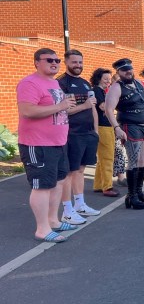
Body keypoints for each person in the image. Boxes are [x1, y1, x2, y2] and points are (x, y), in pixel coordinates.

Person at [16, 48, 77, 242]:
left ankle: (53, 221)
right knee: (42, 186)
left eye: (57, 60)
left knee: (58, 182)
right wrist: (61, 106)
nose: (55, 63)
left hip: (58, 142)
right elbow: (27, 111)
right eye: (49, 60)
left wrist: (67, 107)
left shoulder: (54, 83)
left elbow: (59, 110)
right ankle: (42, 229)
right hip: (38, 144)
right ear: (36, 62)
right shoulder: (29, 83)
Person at [105, 58, 144, 210]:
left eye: (130, 69)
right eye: (124, 70)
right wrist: (116, 128)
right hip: (130, 125)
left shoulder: (138, 83)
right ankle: (131, 195)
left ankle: (139, 192)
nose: (128, 72)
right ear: (118, 72)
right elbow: (108, 109)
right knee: (133, 160)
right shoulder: (116, 87)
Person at [57, 49, 101, 225]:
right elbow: (62, 110)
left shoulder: (85, 83)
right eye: (74, 62)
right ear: (66, 62)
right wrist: (84, 106)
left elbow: (93, 107)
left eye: (80, 62)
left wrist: (95, 130)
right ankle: (67, 211)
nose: (78, 65)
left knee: (81, 170)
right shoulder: (61, 83)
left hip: (88, 133)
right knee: (69, 172)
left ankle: (80, 204)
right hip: (72, 133)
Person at [90, 68, 119, 197]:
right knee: (108, 157)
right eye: (105, 78)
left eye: (109, 78)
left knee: (102, 158)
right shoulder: (98, 90)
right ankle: (107, 186)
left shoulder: (101, 91)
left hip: (105, 126)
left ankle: (98, 185)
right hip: (103, 126)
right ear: (99, 79)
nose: (108, 81)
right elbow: (103, 107)